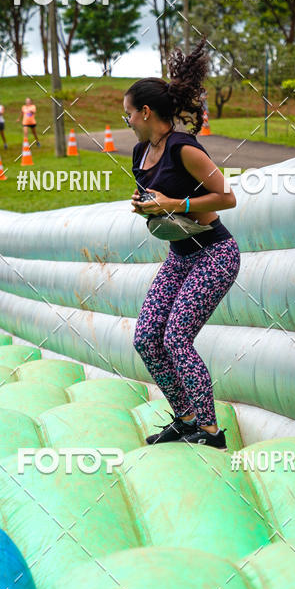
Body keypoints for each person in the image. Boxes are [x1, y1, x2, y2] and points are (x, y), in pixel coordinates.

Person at [125, 38, 239, 450]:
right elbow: (160, 198)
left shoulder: (184, 148)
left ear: (146, 112)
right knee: (146, 338)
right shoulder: (140, 153)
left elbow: (227, 196)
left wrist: (175, 204)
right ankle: (186, 418)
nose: (127, 121)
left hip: (215, 254)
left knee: (176, 338)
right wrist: (146, 206)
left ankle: (210, 432)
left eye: (128, 114)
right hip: (180, 256)